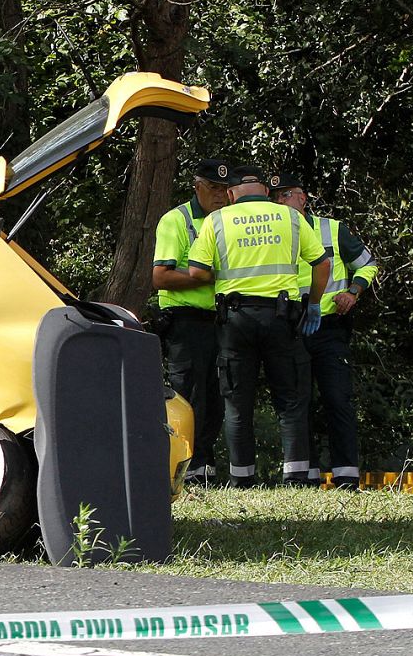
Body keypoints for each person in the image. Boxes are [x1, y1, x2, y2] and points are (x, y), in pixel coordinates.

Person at [179, 164, 330, 487]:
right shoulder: (290, 218)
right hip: (281, 317)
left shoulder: (217, 220)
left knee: (237, 401)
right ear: (264, 191)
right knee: (290, 398)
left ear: (232, 194)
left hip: (234, 320)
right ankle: (296, 476)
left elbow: (195, 272)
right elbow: (321, 263)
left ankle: (242, 477)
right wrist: (314, 302)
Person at [270, 172, 380, 490]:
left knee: (337, 398)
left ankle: (346, 476)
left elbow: (368, 263)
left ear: (302, 198)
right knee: (297, 400)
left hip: (330, 326)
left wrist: (354, 292)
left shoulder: (332, 229)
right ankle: (306, 476)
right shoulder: (275, 234)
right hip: (292, 326)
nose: (279, 202)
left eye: (284, 195)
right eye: (274, 197)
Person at [151, 157, 233, 486]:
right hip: (187, 320)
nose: (220, 196)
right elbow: (161, 276)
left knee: (215, 395)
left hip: (222, 319)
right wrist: (207, 278)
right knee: (185, 393)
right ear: (197, 186)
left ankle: (204, 463)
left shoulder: (230, 221)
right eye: (213, 188)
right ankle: (176, 463)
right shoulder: (177, 221)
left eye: (226, 190)